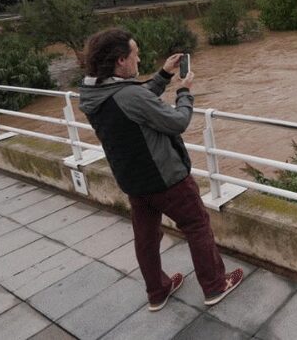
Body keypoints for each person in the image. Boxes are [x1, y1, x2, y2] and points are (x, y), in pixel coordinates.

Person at [78, 28, 243, 311]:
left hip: (133, 181)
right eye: (136, 55)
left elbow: (134, 103)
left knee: (146, 237)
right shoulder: (127, 95)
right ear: (120, 61)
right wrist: (183, 92)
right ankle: (215, 285)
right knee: (196, 225)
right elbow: (176, 121)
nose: (139, 60)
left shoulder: (93, 92)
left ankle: (157, 291)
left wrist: (164, 75)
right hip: (166, 178)